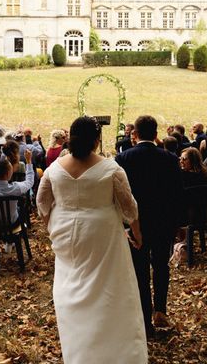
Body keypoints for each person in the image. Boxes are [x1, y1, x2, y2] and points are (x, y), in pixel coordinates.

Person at [36, 116, 147, 363]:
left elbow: (42, 202)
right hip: (103, 233)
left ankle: (80, 350)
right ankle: (116, 351)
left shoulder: (55, 168)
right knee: (110, 289)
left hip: (66, 232)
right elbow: (129, 206)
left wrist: (53, 226)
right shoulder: (111, 168)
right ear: (97, 141)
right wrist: (137, 235)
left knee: (70, 287)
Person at [116, 115, 183, 336]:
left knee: (140, 271)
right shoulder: (170, 159)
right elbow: (177, 195)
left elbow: (120, 197)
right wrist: (178, 223)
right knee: (161, 266)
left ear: (135, 134)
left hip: (137, 223)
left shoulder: (123, 159)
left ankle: (145, 319)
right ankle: (160, 310)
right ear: (156, 134)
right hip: (163, 222)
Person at [0, 148, 34, 224]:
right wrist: (28, 161)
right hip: (12, 223)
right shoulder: (16, 188)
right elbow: (30, 182)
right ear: (8, 174)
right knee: (20, 209)